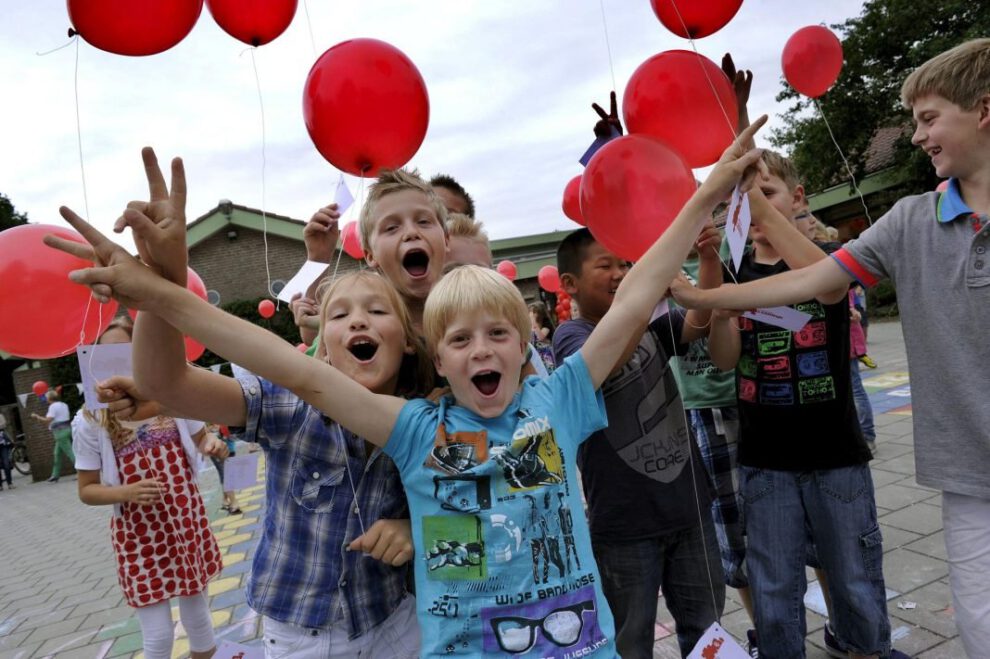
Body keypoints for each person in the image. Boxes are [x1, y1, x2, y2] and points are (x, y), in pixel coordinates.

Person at [46, 116, 770, 657]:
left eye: (498, 334)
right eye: (459, 339)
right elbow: (286, 367)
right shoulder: (415, 424)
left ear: (526, 344)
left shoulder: (561, 398)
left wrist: (707, 189)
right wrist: (161, 290)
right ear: (437, 355)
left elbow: (641, 296)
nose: (480, 348)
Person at [671, 38, 990, 657]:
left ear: (983, 109)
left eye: (929, 119)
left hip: (837, 447)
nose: (919, 135)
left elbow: (813, 273)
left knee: (853, 574)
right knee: (978, 621)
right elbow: (819, 278)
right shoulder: (908, 221)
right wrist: (705, 296)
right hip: (964, 473)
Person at [91, 149, 424, 658]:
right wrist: (163, 282)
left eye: (378, 311)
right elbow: (167, 382)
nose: (357, 322)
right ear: (320, 344)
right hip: (305, 634)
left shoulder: (425, 407)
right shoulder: (287, 403)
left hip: (394, 616)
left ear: (407, 340)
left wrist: (415, 529)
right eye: (338, 317)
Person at [678, 150, 909, 659]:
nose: (752, 209)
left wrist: (751, 197)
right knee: (774, 584)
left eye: (766, 194)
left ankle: (865, 648)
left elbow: (826, 285)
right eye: (742, 202)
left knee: (852, 571)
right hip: (765, 459)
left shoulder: (831, 255)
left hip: (836, 453)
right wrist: (717, 302)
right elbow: (724, 360)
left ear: (797, 198)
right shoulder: (736, 273)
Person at [553, 226, 726, 658]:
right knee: (629, 640)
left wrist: (707, 260)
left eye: (624, 264)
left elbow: (698, 322)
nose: (619, 273)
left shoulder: (650, 326)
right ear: (569, 284)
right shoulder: (570, 338)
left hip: (689, 508)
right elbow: (604, 362)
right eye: (605, 266)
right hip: (624, 526)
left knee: (707, 630)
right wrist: (643, 294)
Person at [70, 315, 226, 659]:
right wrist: (127, 492)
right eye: (105, 355)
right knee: (157, 636)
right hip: (140, 536)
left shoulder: (171, 399)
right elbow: (86, 489)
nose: (115, 365)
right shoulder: (89, 421)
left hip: (185, 521)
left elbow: (202, 438)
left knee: (198, 617)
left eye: (126, 351)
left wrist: (212, 444)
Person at [31, 388, 74, 482]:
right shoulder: (64, 404)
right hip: (67, 429)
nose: (46, 399)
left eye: (46, 397)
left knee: (70, 453)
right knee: (57, 454)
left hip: (59, 432)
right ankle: (55, 475)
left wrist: (37, 417)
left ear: (50, 398)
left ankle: (82, 472)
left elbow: (48, 420)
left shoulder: (53, 406)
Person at [528, 302, 556, 374]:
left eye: (533, 312)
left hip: (546, 355)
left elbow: (540, 337)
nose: (531, 314)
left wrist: (533, 321)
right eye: (530, 312)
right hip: (537, 354)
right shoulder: (531, 326)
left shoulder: (546, 325)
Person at [0, 415, 13, 490]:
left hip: (3, 444)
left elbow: (4, 424)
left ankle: (9, 483)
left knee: (6, 463)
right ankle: (0, 485)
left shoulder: (0, 415)